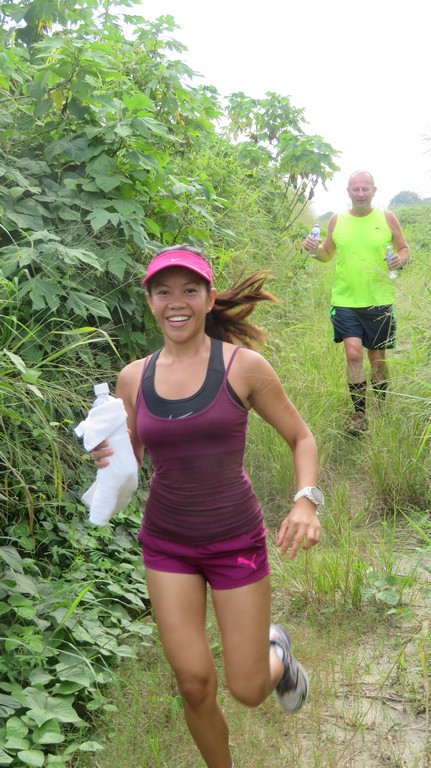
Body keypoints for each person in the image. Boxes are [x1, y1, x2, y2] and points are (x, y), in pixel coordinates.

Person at [93, 245, 322, 768]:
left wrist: (306, 501)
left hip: (235, 540)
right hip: (167, 545)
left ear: (209, 298)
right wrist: (107, 456)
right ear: (150, 301)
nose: (177, 302)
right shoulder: (133, 378)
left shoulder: (244, 368)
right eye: (163, 291)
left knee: (247, 689)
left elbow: (301, 437)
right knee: (194, 684)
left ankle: (276, 653)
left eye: (189, 290)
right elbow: (130, 461)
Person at [303, 170, 410, 434]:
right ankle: (360, 415)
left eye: (365, 189)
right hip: (345, 301)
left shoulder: (387, 218)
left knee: (377, 360)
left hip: (379, 301)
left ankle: (381, 407)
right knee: (353, 354)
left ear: (374, 190)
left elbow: (404, 248)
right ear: (348, 191)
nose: (360, 194)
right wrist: (313, 250)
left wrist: (400, 259)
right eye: (356, 189)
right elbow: (326, 254)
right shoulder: (337, 220)